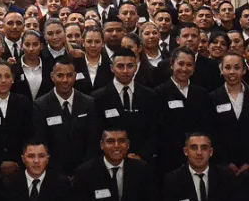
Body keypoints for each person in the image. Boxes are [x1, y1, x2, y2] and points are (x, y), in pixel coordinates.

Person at [32, 56, 99, 177]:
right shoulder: (40, 105)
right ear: (52, 76)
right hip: (52, 173)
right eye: (60, 75)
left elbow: (92, 141)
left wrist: (82, 171)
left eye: (69, 75)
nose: (65, 80)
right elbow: (41, 142)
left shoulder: (88, 103)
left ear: (75, 76)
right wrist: (57, 173)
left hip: (85, 172)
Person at [154, 47, 211, 176]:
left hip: (198, 158)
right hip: (169, 159)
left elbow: (207, 125)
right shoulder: (159, 93)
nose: (184, 69)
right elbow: (157, 128)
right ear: (171, 65)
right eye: (180, 64)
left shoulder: (202, 93)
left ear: (194, 67)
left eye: (189, 64)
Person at [92, 48, 156, 160]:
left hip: (142, 161)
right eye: (120, 66)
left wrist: (141, 155)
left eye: (130, 66)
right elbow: (96, 133)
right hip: (110, 160)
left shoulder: (149, 95)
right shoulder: (98, 97)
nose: (125, 71)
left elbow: (153, 130)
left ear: (136, 67)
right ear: (112, 68)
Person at [208, 52, 249, 175]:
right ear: (221, 70)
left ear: (244, 70)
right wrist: (226, 163)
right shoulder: (212, 98)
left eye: (237, 67)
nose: (232, 72)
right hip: (221, 166)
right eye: (227, 67)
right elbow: (211, 133)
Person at [13, 30, 54, 101]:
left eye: (35, 44)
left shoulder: (49, 66)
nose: (31, 49)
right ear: (21, 46)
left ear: (41, 46)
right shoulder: (14, 67)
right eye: (27, 45)